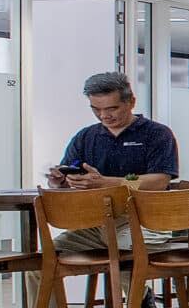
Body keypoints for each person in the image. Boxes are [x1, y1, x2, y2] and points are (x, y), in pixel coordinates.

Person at [44, 71, 179, 253]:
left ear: (131, 102)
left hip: (147, 221)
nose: (103, 115)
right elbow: (69, 174)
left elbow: (158, 182)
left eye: (111, 109)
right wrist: (59, 182)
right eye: (96, 109)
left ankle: (135, 283)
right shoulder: (86, 136)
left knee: (124, 253)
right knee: (47, 260)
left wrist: (106, 182)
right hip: (97, 222)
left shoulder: (157, 134)